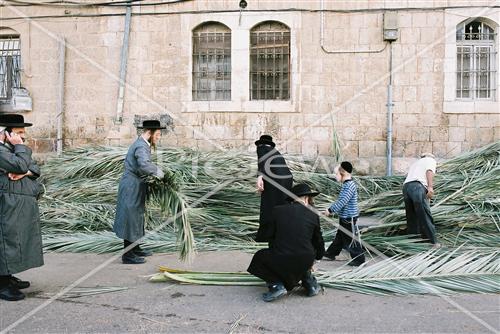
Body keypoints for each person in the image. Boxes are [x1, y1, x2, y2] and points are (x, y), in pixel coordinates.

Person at [247, 183, 325, 302]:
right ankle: (309, 282)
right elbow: (318, 241)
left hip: (282, 256)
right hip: (306, 258)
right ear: (306, 198)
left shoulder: (278, 211)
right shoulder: (313, 214)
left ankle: (276, 285)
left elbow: (269, 236)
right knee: (303, 254)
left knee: (259, 257)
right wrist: (315, 259)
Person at [0, 114, 44, 301]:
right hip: (6, 204)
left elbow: (35, 168)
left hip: (16, 203)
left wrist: (25, 171)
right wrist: (21, 156)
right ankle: (2, 285)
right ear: (6, 134)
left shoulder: (12, 149)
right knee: (6, 242)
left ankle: (7, 278)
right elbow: (19, 164)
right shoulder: (4, 150)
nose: (23, 136)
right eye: (19, 132)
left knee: (15, 241)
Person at [113, 120, 165, 264]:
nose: (159, 137)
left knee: (136, 217)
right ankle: (128, 255)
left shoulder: (142, 144)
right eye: (158, 134)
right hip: (132, 186)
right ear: (150, 133)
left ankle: (135, 248)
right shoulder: (141, 147)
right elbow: (143, 165)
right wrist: (158, 172)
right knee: (131, 217)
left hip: (136, 185)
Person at [324, 161, 365, 266]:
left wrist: (330, 210)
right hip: (345, 217)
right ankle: (330, 253)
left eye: (336, 174)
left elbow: (342, 201)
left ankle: (359, 260)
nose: (335, 176)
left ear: (343, 173)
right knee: (340, 238)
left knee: (351, 239)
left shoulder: (348, 186)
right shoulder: (347, 185)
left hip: (349, 218)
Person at [254, 135, 293, 243]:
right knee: (282, 207)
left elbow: (262, 162)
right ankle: (281, 233)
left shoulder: (263, 149)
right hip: (285, 181)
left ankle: (266, 236)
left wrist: (259, 177)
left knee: (269, 207)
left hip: (275, 182)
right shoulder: (275, 152)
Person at [402, 153, 439, 246]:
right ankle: (432, 242)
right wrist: (430, 187)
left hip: (406, 187)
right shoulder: (430, 160)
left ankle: (413, 241)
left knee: (411, 217)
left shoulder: (416, 163)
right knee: (425, 214)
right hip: (417, 187)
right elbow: (429, 171)